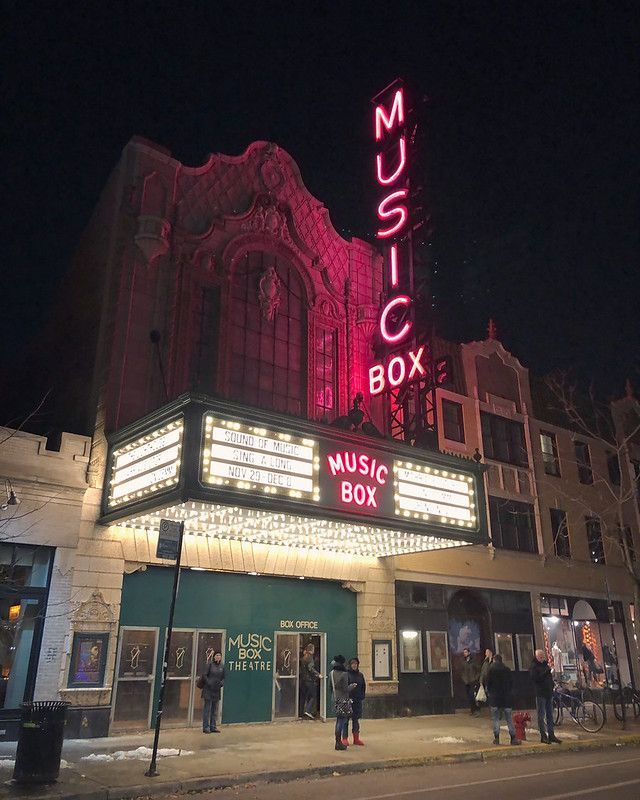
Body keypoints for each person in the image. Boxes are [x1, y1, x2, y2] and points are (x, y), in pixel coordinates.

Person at [485, 653, 520, 746]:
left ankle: (496, 738)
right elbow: (512, 683)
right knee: (509, 718)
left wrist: (489, 692)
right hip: (506, 698)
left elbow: (487, 683)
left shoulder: (491, 670)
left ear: (494, 660)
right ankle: (513, 738)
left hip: (495, 698)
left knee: (495, 718)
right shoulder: (507, 670)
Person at [530, 649, 561, 744]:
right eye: (540, 656)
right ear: (536, 657)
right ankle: (543, 736)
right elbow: (535, 679)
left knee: (550, 715)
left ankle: (551, 734)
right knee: (541, 715)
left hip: (548, 693)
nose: (542, 658)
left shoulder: (545, 665)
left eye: (543, 656)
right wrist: (546, 672)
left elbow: (549, 678)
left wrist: (552, 685)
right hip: (540, 693)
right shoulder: (534, 666)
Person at [329, 654, 356, 750]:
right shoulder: (344, 674)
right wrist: (352, 686)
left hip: (334, 698)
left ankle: (337, 741)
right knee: (341, 720)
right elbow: (345, 689)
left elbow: (330, 687)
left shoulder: (331, 673)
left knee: (338, 720)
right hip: (343, 699)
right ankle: (338, 742)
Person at [201, 651, 225, 733]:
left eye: (219, 655)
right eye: (217, 655)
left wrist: (221, 683)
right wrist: (209, 683)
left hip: (216, 690)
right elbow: (204, 675)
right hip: (208, 689)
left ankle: (213, 726)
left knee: (214, 709)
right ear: (214, 657)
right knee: (207, 709)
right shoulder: (210, 665)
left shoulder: (222, 666)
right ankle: (206, 727)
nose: (218, 657)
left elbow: (224, 677)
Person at [347, 657, 366, 745]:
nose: (354, 665)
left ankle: (356, 738)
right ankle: (344, 738)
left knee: (356, 720)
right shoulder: (347, 675)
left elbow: (363, 686)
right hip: (348, 700)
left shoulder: (360, 675)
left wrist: (362, 696)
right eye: (353, 664)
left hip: (357, 700)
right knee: (345, 720)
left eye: (356, 664)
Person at [300, 643, 322, 719]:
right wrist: (318, 674)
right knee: (313, 696)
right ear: (312, 650)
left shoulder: (304, 657)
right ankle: (308, 711)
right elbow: (310, 668)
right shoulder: (310, 658)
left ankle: (300, 713)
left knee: (303, 696)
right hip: (309, 680)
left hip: (303, 680)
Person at [461, 648, 480, 715]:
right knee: (469, 696)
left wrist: (475, 678)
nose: (465, 653)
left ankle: (476, 710)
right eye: (464, 652)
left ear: (469, 652)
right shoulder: (464, 662)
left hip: (473, 681)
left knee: (473, 696)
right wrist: (464, 678)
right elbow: (462, 671)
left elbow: (478, 670)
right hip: (466, 681)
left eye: (466, 652)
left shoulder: (473, 661)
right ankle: (472, 710)